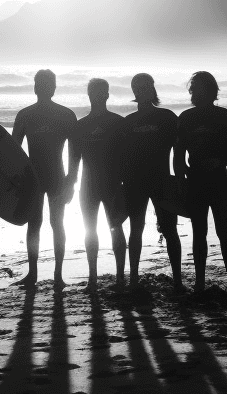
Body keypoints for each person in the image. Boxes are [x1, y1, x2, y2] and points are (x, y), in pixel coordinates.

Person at [174, 71, 227, 295]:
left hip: (218, 180)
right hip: (195, 181)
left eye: (197, 88)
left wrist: (221, 161)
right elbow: (178, 154)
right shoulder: (185, 117)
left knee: (224, 232)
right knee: (198, 232)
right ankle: (200, 283)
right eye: (192, 89)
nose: (193, 92)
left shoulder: (225, 116)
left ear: (211, 91)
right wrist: (181, 178)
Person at [11, 69, 78, 287]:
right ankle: (33, 274)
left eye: (45, 84)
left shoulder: (65, 115)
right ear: (35, 87)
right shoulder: (25, 115)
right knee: (35, 223)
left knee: (56, 223)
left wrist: (71, 179)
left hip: (56, 176)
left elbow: (75, 151)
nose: (42, 87)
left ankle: (58, 275)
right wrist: (16, 178)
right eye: (40, 83)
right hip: (35, 177)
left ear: (53, 88)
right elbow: (14, 151)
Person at [123, 73, 182, 291]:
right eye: (137, 87)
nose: (141, 90)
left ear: (152, 88)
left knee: (170, 229)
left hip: (162, 180)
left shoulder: (167, 117)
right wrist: (122, 182)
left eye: (146, 86)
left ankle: (177, 280)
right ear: (133, 91)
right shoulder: (128, 122)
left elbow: (178, 151)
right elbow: (124, 157)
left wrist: (180, 178)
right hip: (135, 183)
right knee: (135, 228)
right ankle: (134, 279)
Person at [69, 78, 128, 287]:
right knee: (89, 229)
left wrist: (126, 182)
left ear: (108, 94)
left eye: (101, 91)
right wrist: (70, 181)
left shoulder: (118, 123)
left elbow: (126, 156)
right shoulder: (80, 125)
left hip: (113, 183)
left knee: (116, 227)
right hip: (88, 185)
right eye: (94, 91)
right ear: (88, 94)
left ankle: (121, 276)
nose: (97, 95)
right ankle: (92, 276)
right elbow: (74, 157)